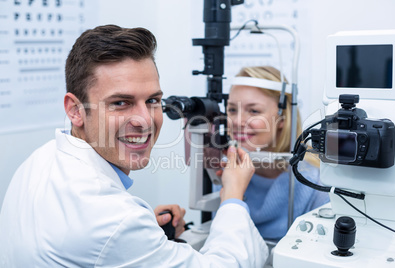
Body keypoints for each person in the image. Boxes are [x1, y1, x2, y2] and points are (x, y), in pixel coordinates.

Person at [0, 25, 268, 267]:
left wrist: (146, 233)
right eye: (120, 102)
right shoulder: (115, 220)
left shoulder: (40, 160)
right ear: (75, 110)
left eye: (152, 100)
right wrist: (232, 196)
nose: (144, 121)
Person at [219, 65, 330, 242]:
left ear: (281, 119)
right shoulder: (226, 172)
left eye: (254, 111)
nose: (237, 121)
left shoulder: (315, 184)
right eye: (232, 109)